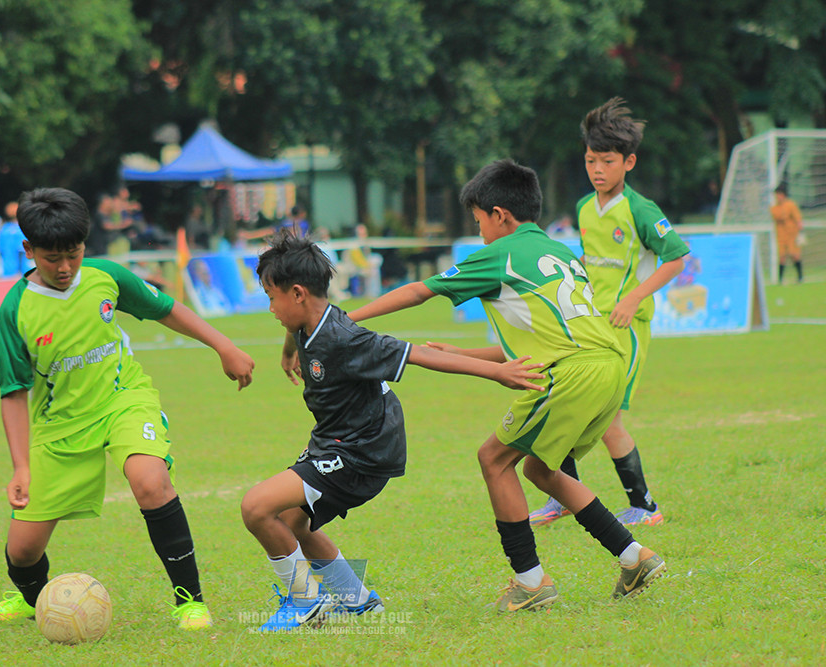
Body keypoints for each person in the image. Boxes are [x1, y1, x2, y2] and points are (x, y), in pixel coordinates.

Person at [346, 160, 667, 611]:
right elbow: (539, 344)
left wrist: (343, 318)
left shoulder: (502, 253)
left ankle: (531, 582)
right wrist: (460, 354)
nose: (479, 234)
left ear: (500, 215)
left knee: (493, 459)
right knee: (539, 470)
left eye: (479, 222)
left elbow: (420, 291)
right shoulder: (559, 253)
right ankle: (634, 557)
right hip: (608, 366)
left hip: (573, 373)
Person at [0, 187, 255, 631]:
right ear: (28, 249)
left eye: (74, 253)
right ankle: (31, 600)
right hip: (60, 425)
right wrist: (20, 466)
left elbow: (165, 309)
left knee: (150, 480)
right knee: (23, 551)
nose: (65, 267)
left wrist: (223, 345)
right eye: (52, 258)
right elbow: (13, 393)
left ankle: (190, 602)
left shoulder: (106, 276)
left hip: (123, 400)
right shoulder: (15, 310)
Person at [242, 229, 547, 631]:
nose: (270, 308)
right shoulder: (307, 322)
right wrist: (289, 350)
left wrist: (497, 371)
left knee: (255, 507)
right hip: (337, 440)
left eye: (271, 297)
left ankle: (303, 601)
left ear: (298, 293)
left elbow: (419, 356)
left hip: (362, 451)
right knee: (294, 521)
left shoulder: (346, 339)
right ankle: (359, 603)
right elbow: (295, 330)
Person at [527, 97, 689, 529]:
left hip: (627, 329)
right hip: (590, 325)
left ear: (629, 162)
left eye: (607, 161)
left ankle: (645, 507)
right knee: (562, 399)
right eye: (590, 160)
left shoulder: (641, 210)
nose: (597, 169)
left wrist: (633, 298)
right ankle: (562, 496)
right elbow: (593, 257)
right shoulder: (583, 208)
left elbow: (676, 258)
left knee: (607, 418)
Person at [770, 183, 803, 284]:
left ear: (783, 194)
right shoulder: (774, 208)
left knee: (795, 255)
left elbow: (798, 218)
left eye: (778, 194)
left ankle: (800, 277)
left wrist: (800, 229)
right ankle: (780, 280)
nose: (777, 197)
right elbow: (775, 217)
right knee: (782, 256)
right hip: (781, 235)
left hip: (792, 234)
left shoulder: (791, 205)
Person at [0, 201, 29, 277]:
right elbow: (22, 250)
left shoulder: (4, 229)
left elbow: (0, 249)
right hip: (23, 270)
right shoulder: (22, 229)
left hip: (8, 269)